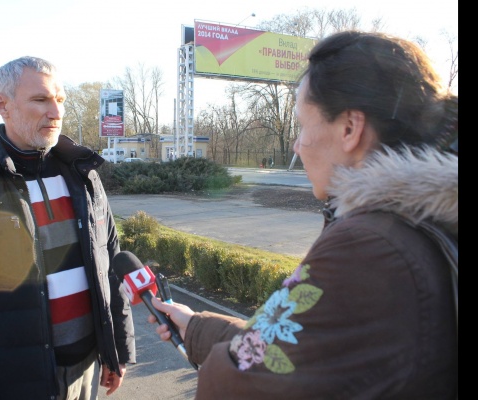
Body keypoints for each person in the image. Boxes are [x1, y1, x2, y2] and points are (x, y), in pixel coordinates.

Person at [148, 30, 457, 399]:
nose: (296, 145)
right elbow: (300, 354)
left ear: (349, 128)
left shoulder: (369, 246)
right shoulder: (421, 223)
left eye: (302, 125)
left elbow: (243, 385)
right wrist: (197, 329)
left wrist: (218, 358)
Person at [0, 56, 136, 400]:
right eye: (40, 99)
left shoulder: (84, 178)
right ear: (3, 105)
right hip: (15, 384)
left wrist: (117, 351)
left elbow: (110, 265)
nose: (56, 112)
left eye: (60, 99)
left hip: (87, 369)